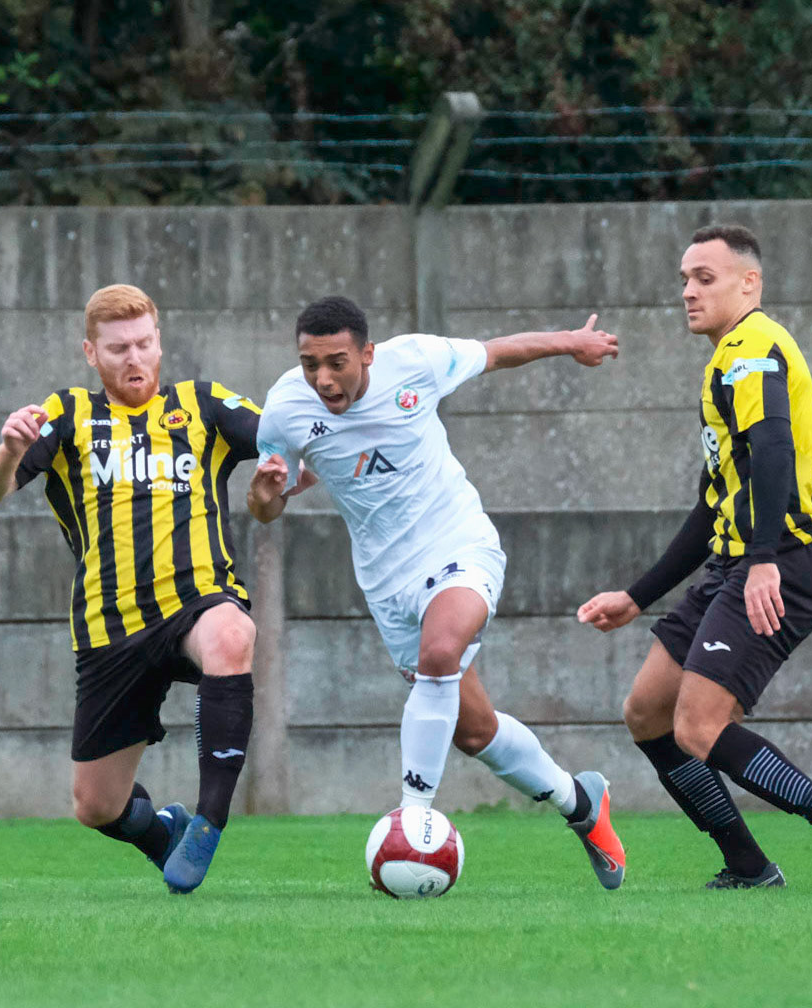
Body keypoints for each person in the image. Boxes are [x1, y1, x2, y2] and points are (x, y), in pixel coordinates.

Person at [248, 296, 628, 889]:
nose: (322, 378)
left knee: (442, 650)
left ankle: (413, 816)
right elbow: (267, 506)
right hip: (386, 582)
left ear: (367, 354)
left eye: (336, 362)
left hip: (459, 543)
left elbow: (497, 353)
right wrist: (264, 493)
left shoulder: (415, 362)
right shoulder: (284, 409)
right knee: (474, 731)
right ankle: (581, 804)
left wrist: (570, 343)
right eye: (310, 363)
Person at [577, 224, 812, 891]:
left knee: (698, 725)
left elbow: (775, 448)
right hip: (739, 562)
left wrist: (762, 560)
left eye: (705, 278)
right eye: (683, 280)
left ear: (749, 283)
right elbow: (712, 505)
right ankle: (749, 867)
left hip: (783, 560)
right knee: (647, 710)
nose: (688, 292)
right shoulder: (724, 361)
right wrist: (636, 596)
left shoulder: (753, 347)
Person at [0, 284, 270, 893]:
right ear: (91, 353)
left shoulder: (203, 404)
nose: (134, 358)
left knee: (233, 634)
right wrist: (9, 451)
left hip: (196, 601)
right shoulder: (67, 414)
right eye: (117, 348)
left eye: (143, 343)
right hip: (110, 628)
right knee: (96, 805)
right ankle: (163, 834)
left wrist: (287, 472)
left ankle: (209, 821)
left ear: (159, 342)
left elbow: (283, 442)